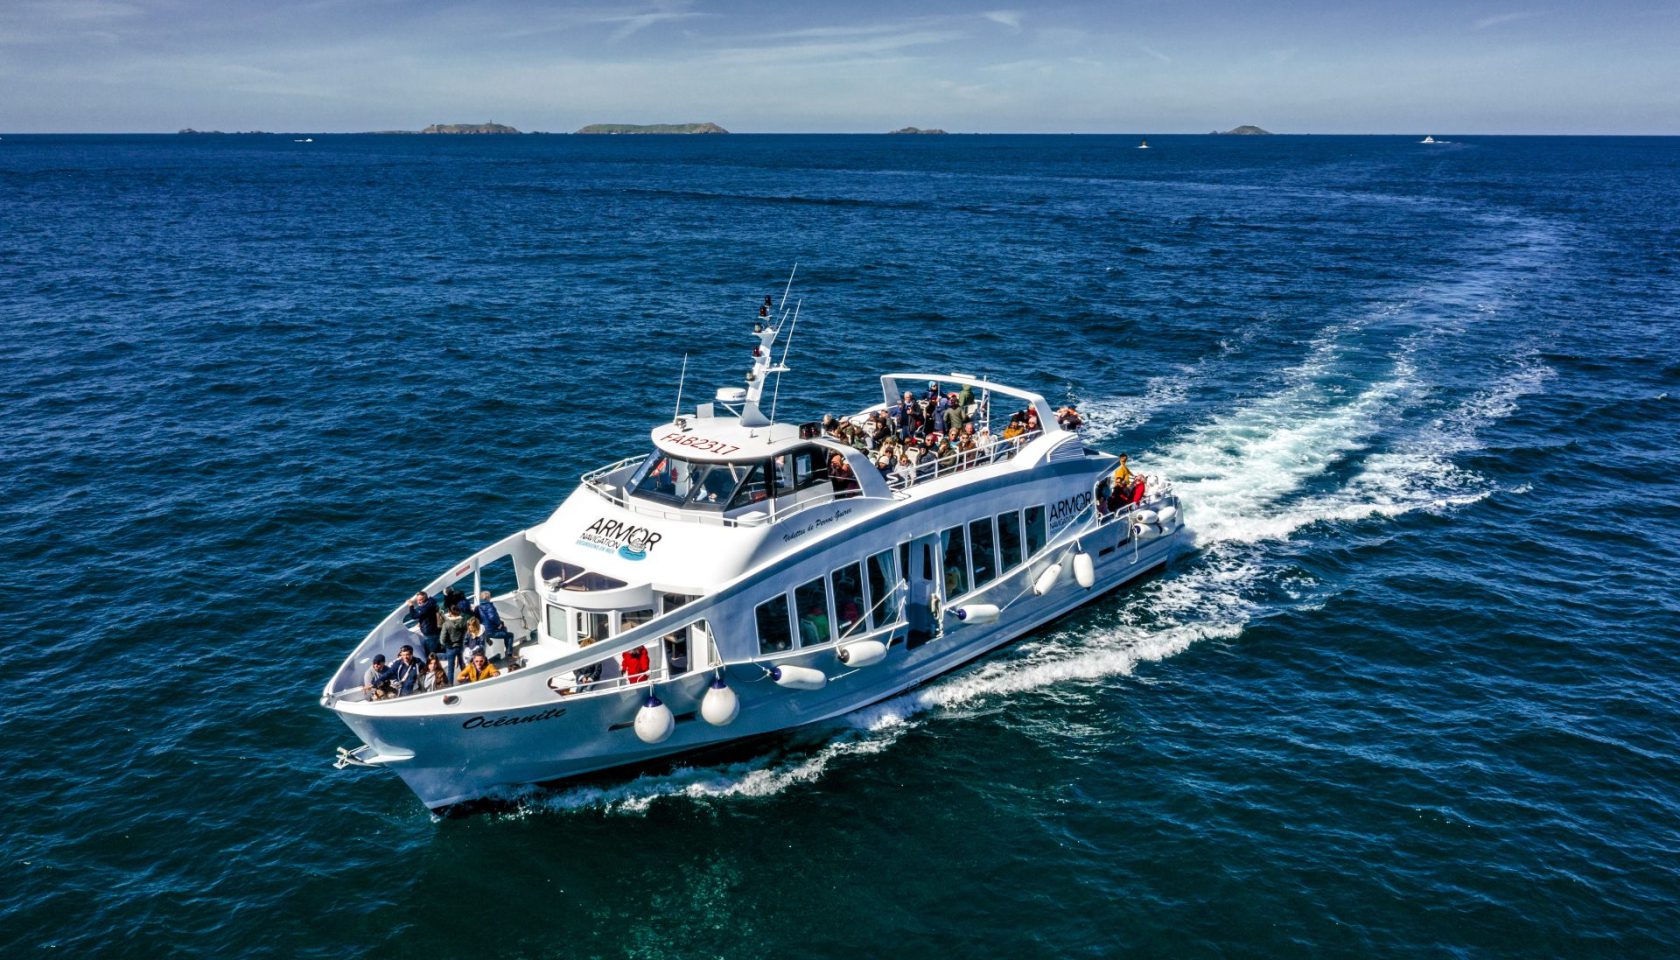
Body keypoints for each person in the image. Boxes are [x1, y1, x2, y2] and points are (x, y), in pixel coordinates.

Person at [405, 591, 441, 662]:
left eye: (421, 600)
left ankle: (433, 662)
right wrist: (420, 623)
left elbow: (414, 616)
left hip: (429, 633)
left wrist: (411, 606)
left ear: (426, 599)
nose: (418, 602)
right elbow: (425, 616)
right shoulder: (431, 602)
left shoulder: (425, 608)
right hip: (434, 630)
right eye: (417, 600)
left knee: (431, 653)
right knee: (436, 646)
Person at [438, 603, 469, 682]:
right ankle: (466, 680)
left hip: (451, 648)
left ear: (450, 612)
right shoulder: (465, 621)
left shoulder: (446, 624)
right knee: (463, 665)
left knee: (450, 669)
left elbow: (442, 640)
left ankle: (450, 685)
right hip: (461, 646)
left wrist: (447, 645)